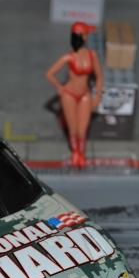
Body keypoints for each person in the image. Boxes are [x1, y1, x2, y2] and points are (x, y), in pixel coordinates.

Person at [46, 22, 104, 168]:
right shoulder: (68, 57)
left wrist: (98, 95)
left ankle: (81, 154)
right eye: (85, 34)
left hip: (85, 95)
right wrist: (60, 87)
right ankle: (75, 154)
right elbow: (49, 74)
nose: (87, 37)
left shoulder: (92, 55)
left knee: (82, 130)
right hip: (69, 95)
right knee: (72, 129)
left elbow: (99, 76)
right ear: (81, 36)